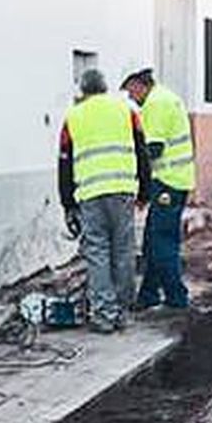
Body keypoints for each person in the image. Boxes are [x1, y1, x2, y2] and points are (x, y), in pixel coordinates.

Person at [58, 66, 151, 332]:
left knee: (97, 253)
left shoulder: (73, 117)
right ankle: (122, 312)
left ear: (83, 90)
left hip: (90, 194)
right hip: (122, 191)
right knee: (123, 250)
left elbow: (64, 163)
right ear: (104, 87)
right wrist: (145, 191)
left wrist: (68, 204)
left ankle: (104, 314)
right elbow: (142, 152)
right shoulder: (127, 111)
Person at [122, 64, 195, 311]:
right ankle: (149, 294)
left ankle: (177, 297)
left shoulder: (156, 104)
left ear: (139, 84)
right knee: (152, 240)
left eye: (131, 92)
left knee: (162, 241)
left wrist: (127, 167)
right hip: (173, 180)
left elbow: (152, 150)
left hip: (168, 182)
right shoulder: (165, 97)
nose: (131, 98)